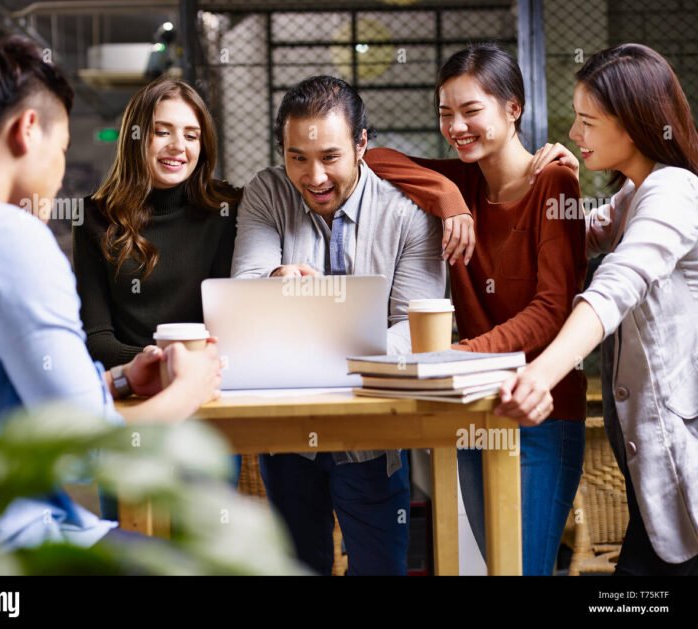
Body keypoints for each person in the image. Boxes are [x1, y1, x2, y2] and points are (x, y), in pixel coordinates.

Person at [0, 36, 221, 549]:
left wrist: (120, 382)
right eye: (62, 150)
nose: (61, 172)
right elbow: (91, 450)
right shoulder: (9, 236)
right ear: (27, 131)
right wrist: (190, 388)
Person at [365, 43, 588, 575]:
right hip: (474, 410)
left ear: (513, 109)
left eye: (471, 111)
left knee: (524, 569)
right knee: (497, 568)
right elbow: (369, 156)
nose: (456, 126)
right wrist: (446, 195)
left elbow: (552, 311)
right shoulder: (462, 180)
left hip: (543, 412)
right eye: (445, 113)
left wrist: (460, 353)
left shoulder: (554, 183)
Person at [231, 75, 449, 575]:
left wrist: (301, 317)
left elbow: (414, 328)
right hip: (286, 432)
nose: (314, 177)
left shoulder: (409, 211)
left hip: (372, 436)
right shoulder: (267, 192)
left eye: (330, 157)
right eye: (298, 158)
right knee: (295, 567)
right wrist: (274, 281)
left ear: (361, 145)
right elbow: (245, 292)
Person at [497, 43, 698, 575]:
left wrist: (541, 372)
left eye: (587, 121)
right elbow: (574, 239)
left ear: (632, 124)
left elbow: (615, 284)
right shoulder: (636, 193)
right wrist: (552, 184)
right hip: (653, 467)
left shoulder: (673, 191)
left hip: (684, 457)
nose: (576, 133)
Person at [73, 77, 242, 486]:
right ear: (135, 137)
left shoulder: (227, 210)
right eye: (161, 131)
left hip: (207, 405)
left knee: (208, 544)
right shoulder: (94, 217)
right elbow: (95, 337)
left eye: (191, 135)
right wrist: (159, 365)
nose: (177, 147)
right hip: (133, 403)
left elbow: (233, 320)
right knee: (134, 546)